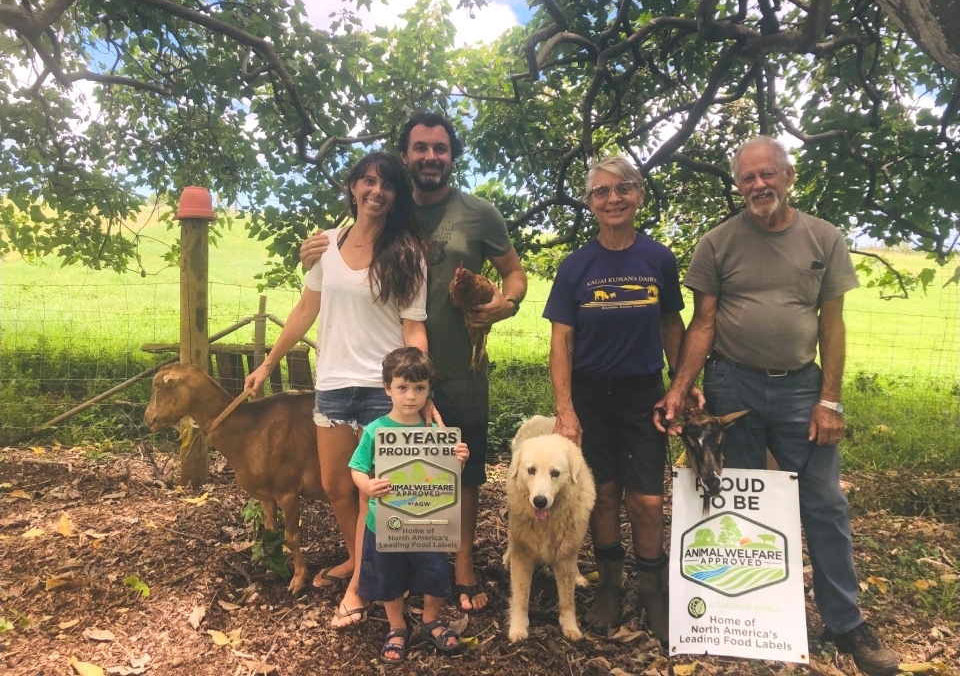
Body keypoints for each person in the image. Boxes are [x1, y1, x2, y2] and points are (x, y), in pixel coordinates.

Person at [654, 136, 898, 676]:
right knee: (738, 499)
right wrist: (680, 388)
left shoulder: (823, 238)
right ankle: (745, 611)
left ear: (788, 175)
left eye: (768, 175)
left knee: (824, 503)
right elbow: (704, 322)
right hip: (732, 386)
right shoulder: (717, 243)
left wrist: (829, 401)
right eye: (747, 178)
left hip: (800, 390)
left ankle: (846, 621)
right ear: (738, 185)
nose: (759, 185)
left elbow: (832, 324)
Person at [301, 111, 527, 613]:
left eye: (440, 148)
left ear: (452, 156)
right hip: (397, 378)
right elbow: (341, 268)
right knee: (392, 471)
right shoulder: (385, 210)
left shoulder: (480, 213)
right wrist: (310, 254)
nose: (430, 156)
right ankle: (377, 565)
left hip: (461, 370)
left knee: (462, 471)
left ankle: (461, 566)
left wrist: (503, 305)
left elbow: (516, 274)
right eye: (420, 147)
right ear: (405, 156)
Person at [245, 151, 429, 629]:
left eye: (386, 184)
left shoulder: (408, 252)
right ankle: (363, 563)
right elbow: (307, 309)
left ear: (395, 196)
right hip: (332, 384)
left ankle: (358, 586)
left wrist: (421, 390)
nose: (375, 190)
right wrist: (268, 364)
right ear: (353, 187)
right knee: (335, 487)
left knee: (374, 493)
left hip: (380, 388)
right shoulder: (327, 243)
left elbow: (413, 327)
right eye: (367, 181)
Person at [543, 155, 701, 641]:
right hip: (590, 396)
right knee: (604, 495)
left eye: (623, 189)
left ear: (638, 196)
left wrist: (683, 384)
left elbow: (671, 324)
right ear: (590, 202)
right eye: (602, 191)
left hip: (643, 395)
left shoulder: (658, 259)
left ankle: (653, 590)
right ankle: (610, 587)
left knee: (648, 500)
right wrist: (566, 411)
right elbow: (560, 343)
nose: (613, 199)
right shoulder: (576, 266)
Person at [350, 346, 468, 664]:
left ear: (429, 390)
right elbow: (357, 468)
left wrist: (459, 460)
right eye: (402, 388)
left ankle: (431, 619)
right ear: (388, 388)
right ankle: (397, 626)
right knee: (388, 577)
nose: (411, 396)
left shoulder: (433, 432)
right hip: (384, 522)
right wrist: (367, 486)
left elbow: (448, 478)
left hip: (428, 521)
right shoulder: (375, 431)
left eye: (419, 388)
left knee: (435, 573)